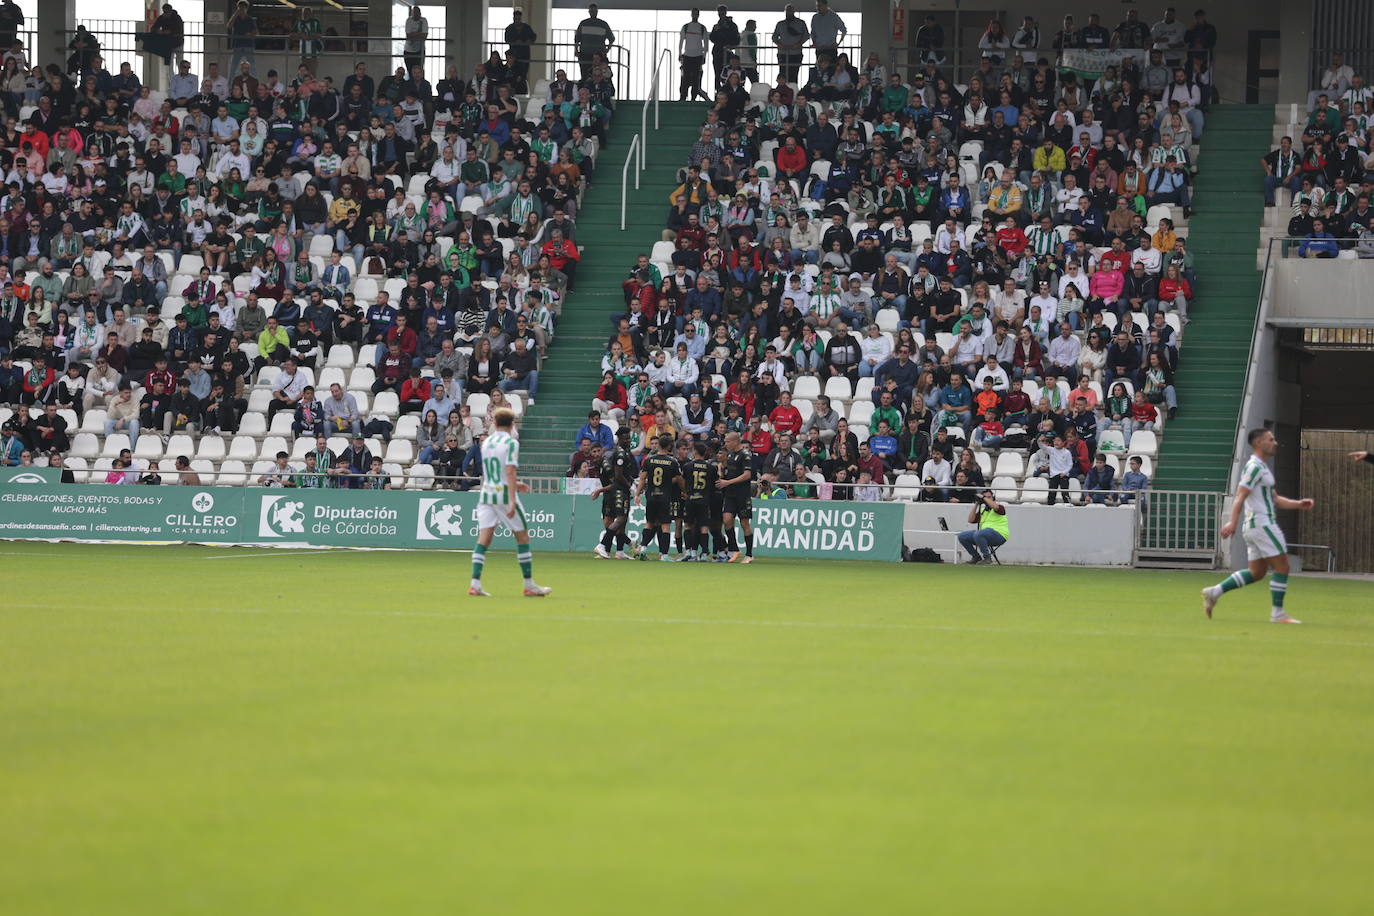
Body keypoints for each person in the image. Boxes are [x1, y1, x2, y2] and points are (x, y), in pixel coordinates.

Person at [1202, 428, 1314, 624]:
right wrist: (1231, 521)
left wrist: (1298, 504)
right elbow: (1240, 495)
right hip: (1263, 524)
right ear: (1258, 443)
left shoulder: (1262, 468)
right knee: (1283, 566)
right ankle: (1278, 614)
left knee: (1257, 572)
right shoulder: (1254, 467)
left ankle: (1215, 592)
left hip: (1255, 526)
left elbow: (1275, 499)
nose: (1275, 442)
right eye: (1271, 439)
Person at [468, 407, 551, 597]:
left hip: (487, 493)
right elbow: (510, 471)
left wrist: (515, 483)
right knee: (522, 537)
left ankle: (475, 584)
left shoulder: (487, 442)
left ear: (495, 423)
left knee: (484, 538)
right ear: (512, 424)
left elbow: (494, 471)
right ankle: (529, 585)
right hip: (504, 494)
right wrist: (513, 500)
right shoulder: (511, 443)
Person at [635, 434, 685, 560]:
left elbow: (642, 479)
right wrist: (685, 491)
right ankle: (664, 555)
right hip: (665, 497)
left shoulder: (649, 459)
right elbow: (679, 479)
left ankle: (643, 548)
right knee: (665, 525)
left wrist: (637, 494)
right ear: (669, 446)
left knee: (649, 523)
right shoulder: (672, 462)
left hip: (651, 496)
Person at [591, 424, 636, 559]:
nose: (629, 441)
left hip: (618, 491)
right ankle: (603, 545)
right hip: (619, 491)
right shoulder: (620, 453)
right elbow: (618, 476)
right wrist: (629, 486)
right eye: (626, 438)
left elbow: (621, 475)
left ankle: (620, 551)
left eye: (629, 438)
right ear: (620, 438)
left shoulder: (622, 453)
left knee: (621, 521)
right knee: (619, 519)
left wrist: (633, 482)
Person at [717, 430, 754, 562]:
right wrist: (722, 472)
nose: (725, 443)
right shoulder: (731, 455)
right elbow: (729, 474)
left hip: (742, 495)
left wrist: (728, 482)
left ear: (735, 442)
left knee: (744, 524)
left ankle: (749, 554)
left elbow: (747, 475)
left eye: (727, 441)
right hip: (730, 495)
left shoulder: (745, 455)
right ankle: (735, 550)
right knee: (726, 520)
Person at [958, 488, 1009, 564]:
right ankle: (976, 557)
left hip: (999, 534)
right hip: (983, 535)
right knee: (962, 536)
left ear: (993, 498)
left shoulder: (999, 507)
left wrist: (983, 497)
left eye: (989, 497)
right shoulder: (983, 511)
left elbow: (995, 507)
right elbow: (970, 520)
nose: (986, 499)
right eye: (985, 497)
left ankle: (987, 558)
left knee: (978, 533)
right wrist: (976, 504)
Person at [679, 9, 711, 103]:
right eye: (693, 14)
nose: (695, 15)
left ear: (698, 15)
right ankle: (683, 97)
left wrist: (704, 55)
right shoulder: (686, 27)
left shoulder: (702, 28)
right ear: (691, 14)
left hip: (698, 56)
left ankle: (693, 98)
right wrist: (680, 54)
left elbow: (706, 43)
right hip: (687, 55)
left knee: (696, 78)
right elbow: (681, 41)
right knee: (685, 78)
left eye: (696, 14)